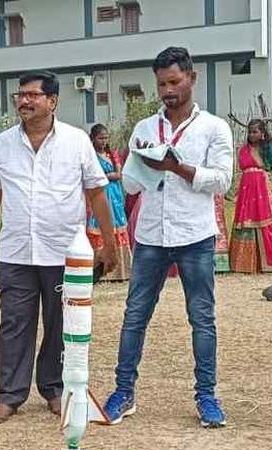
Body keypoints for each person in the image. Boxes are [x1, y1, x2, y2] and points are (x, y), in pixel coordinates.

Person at [0, 71, 118, 425]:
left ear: (52, 101)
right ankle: (9, 395)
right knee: (14, 324)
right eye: (19, 95)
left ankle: (54, 389)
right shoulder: (2, 144)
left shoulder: (76, 141)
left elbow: (96, 192)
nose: (24, 101)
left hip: (63, 251)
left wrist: (109, 244)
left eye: (32, 95)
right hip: (16, 253)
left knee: (60, 323)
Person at [101, 47, 233, 429]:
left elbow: (222, 180)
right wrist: (144, 163)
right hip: (152, 236)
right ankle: (123, 392)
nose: (167, 91)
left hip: (194, 235)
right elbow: (129, 182)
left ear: (191, 78)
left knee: (202, 318)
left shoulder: (213, 127)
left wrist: (177, 167)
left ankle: (206, 397)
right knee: (134, 316)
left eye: (174, 82)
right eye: (161, 84)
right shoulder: (145, 128)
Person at [229, 119, 272, 274]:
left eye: (255, 131)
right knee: (246, 222)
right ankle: (245, 264)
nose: (252, 135)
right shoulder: (243, 150)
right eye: (250, 131)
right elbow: (241, 171)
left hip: (264, 188)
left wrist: (266, 180)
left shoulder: (269, 150)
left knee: (267, 222)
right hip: (247, 190)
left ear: (263, 133)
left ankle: (269, 263)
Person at [87, 124, 133, 281]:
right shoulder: (91, 156)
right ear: (92, 138)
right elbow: (92, 176)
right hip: (100, 193)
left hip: (115, 195)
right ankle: (99, 269)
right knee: (99, 226)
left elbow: (119, 174)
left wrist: (113, 175)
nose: (104, 141)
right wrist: (108, 176)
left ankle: (121, 271)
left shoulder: (112, 155)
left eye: (106, 138)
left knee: (118, 225)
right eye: (100, 138)